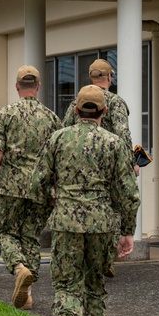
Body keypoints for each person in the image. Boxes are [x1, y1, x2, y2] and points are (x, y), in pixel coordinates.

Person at [32, 85, 140, 316]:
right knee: (94, 283)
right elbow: (129, 193)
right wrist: (127, 230)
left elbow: (36, 183)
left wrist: (52, 202)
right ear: (104, 112)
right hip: (101, 224)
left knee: (67, 284)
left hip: (66, 222)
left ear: (76, 110)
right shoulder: (115, 144)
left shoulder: (58, 139)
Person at [0, 65, 62, 310]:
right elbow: (57, 159)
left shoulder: (5, 114)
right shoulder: (52, 118)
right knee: (31, 238)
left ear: (17, 87)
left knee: (5, 234)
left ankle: (19, 269)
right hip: (41, 189)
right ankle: (28, 293)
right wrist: (56, 190)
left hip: (10, 187)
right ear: (37, 86)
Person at [62, 58, 135, 278]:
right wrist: (130, 163)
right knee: (111, 210)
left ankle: (88, 257)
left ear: (91, 77)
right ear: (109, 77)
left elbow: (64, 128)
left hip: (77, 165)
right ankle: (104, 255)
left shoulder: (77, 101)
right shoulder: (116, 102)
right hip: (109, 163)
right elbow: (123, 134)